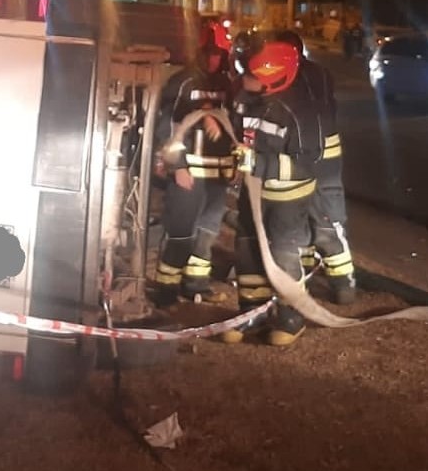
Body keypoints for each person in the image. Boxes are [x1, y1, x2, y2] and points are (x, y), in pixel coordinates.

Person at [223, 38, 322, 347]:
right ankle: (251, 312)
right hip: (253, 194)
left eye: (251, 76)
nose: (244, 82)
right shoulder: (245, 99)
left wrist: (259, 162)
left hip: (287, 200)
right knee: (248, 250)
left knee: (283, 255)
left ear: (273, 78)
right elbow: (241, 132)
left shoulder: (299, 112)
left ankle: (291, 316)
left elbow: (308, 162)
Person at [151, 42, 237, 304]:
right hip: (189, 174)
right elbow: (166, 126)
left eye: (218, 55)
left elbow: (235, 124)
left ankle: (196, 286)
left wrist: (233, 167)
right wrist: (177, 166)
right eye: (209, 53)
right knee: (181, 232)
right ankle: (165, 292)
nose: (214, 59)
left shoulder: (226, 84)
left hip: (217, 176)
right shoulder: (182, 82)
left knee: (207, 232)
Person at [275, 29, 356, 304]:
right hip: (318, 155)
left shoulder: (301, 77)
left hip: (318, 160)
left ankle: (343, 282)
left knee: (325, 222)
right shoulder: (319, 73)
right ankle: (322, 274)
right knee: (309, 220)